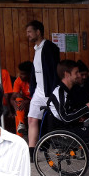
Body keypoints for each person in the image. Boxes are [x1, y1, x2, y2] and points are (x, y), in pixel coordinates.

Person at [41, 59, 89, 163]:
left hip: (68, 126)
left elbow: (68, 113)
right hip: (63, 131)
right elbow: (66, 118)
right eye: (76, 73)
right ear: (67, 74)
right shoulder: (60, 93)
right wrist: (86, 108)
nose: (78, 75)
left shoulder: (66, 91)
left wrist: (78, 117)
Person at [26, 20, 60, 160]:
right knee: (31, 119)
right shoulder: (37, 49)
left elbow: (54, 72)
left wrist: (53, 92)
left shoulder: (49, 47)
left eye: (30, 32)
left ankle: (59, 146)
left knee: (57, 119)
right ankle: (31, 152)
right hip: (38, 91)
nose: (27, 35)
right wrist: (32, 89)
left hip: (49, 91)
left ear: (38, 32)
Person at [10, 61, 33, 138]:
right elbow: (12, 98)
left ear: (30, 74)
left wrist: (27, 101)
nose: (21, 76)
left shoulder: (35, 81)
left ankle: (19, 136)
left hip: (35, 104)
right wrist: (15, 105)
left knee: (19, 108)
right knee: (18, 100)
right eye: (20, 73)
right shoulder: (18, 80)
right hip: (24, 105)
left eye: (23, 74)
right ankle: (21, 123)